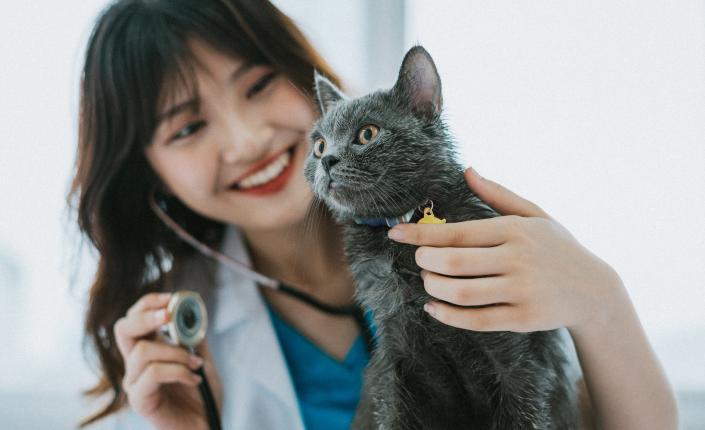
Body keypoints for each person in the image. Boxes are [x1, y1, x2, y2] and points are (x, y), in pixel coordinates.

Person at [67, 1, 678, 429]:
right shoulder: (167, 345)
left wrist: (600, 302)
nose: (248, 138)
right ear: (150, 175)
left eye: (257, 85)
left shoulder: (469, 226)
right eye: (189, 126)